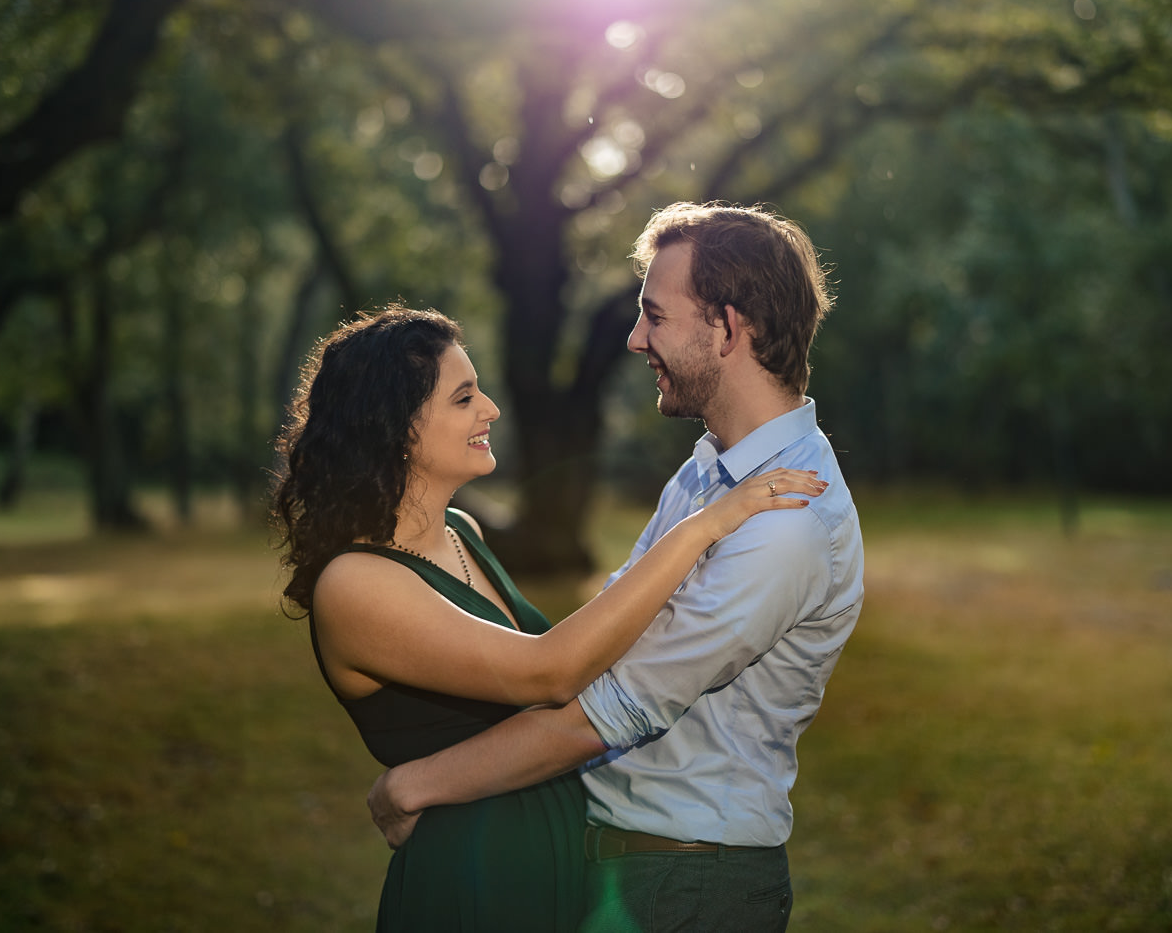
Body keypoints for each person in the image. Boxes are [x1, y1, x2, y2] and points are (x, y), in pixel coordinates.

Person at [367, 204, 864, 933]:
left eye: (654, 316)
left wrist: (415, 785)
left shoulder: (788, 520)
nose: (636, 339)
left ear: (728, 328)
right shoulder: (709, 474)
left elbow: (613, 711)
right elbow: (609, 633)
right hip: (627, 867)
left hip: (687, 883)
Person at [272, 303, 824, 933]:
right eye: (463, 398)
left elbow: (594, 649)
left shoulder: (462, 532)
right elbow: (550, 672)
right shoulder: (356, 585)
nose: (491, 411)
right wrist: (707, 526)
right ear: (395, 427)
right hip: (476, 870)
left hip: (560, 852)